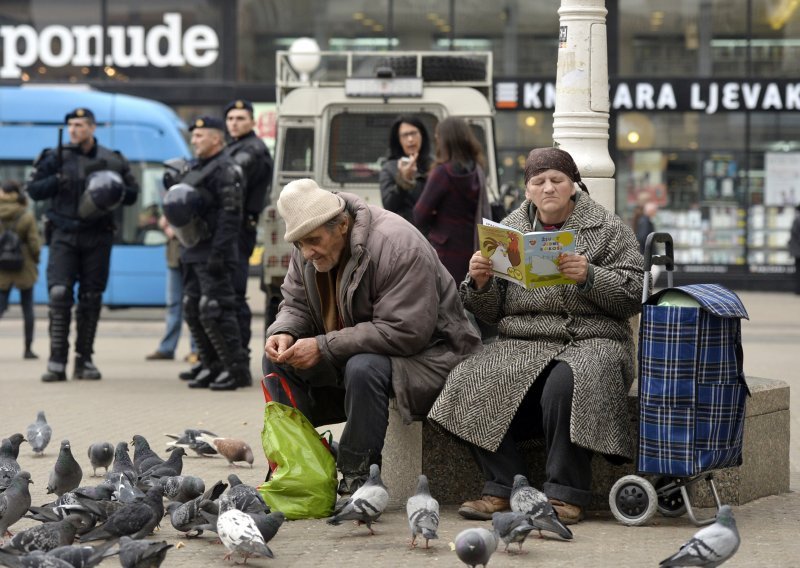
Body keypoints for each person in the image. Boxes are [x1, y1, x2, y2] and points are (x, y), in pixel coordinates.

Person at [428, 147, 644, 524]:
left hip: (594, 338)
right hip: (524, 340)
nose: (548, 188)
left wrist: (590, 276)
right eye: (538, 182)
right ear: (527, 189)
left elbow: (634, 294)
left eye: (557, 180)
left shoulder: (609, 229)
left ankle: (566, 494)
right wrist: (480, 283)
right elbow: (492, 313)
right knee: (467, 377)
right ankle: (505, 487)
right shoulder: (507, 231)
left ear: (573, 185)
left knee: (568, 381)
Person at [263, 178, 481, 498]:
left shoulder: (396, 244)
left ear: (342, 225)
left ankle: (357, 473)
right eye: (299, 244)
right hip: (356, 350)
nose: (307, 252)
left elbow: (405, 331)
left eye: (313, 241)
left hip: (434, 357)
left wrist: (323, 346)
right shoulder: (306, 245)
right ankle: (298, 463)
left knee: (363, 367)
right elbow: (295, 304)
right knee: (275, 359)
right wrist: (284, 331)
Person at [26, 107, 139, 382]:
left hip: (97, 235)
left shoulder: (111, 159)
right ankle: (56, 360)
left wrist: (114, 191)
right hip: (63, 234)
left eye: (80, 124)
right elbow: (33, 189)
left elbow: (132, 194)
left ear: (92, 127)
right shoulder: (54, 157)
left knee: (91, 298)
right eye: (71, 125)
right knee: (59, 294)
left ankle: (84, 359)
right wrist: (56, 180)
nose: (75, 129)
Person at [162, 116, 249, 392]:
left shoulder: (226, 169)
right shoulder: (196, 168)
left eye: (200, 135)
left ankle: (235, 370)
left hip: (215, 252)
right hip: (192, 250)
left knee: (216, 310)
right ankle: (212, 365)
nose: (195, 140)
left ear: (216, 138)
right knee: (193, 308)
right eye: (194, 136)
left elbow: (230, 215)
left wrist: (220, 253)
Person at [223, 99, 274, 362]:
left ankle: (238, 357)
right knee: (223, 295)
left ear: (252, 122)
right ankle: (225, 357)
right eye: (231, 118)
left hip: (240, 228)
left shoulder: (253, 150)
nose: (234, 123)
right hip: (229, 229)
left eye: (240, 118)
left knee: (233, 294)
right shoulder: (232, 147)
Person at [413, 116, 490, 284]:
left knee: (446, 300)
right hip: (472, 247)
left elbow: (419, 215)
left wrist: (436, 216)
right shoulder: (477, 170)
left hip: (445, 250)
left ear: (444, 140)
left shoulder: (443, 173)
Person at [144, 214, 196, 361]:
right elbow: (165, 219)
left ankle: (197, 350)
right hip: (174, 257)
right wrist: (165, 224)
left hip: (192, 257)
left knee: (192, 304)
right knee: (173, 304)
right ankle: (167, 348)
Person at [0, 180, 41, 359]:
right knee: (28, 309)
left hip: (1, 266)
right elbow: (34, 243)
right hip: (23, 266)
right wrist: (36, 259)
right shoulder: (26, 214)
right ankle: (28, 349)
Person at [378, 115, 432, 224]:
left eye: (413, 133)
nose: (410, 139)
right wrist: (404, 180)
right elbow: (389, 206)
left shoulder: (434, 164)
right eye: (405, 135)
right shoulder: (389, 168)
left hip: (434, 234)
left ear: (422, 135)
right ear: (398, 140)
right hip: (406, 232)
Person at [633, 200, 660, 285]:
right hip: (647, 253)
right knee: (654, 271)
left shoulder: (646, 220)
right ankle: (646, 291)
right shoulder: (645, 221)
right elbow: (642, 237)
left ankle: (646, 291)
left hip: (646, 253)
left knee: (652, 272)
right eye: (655, 210)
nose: (656, 212)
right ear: (650, 211)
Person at [789, 204, 800, 295]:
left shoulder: (796, 219)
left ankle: (797, 290)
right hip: (798, 250)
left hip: (796, 251)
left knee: (798, 271)